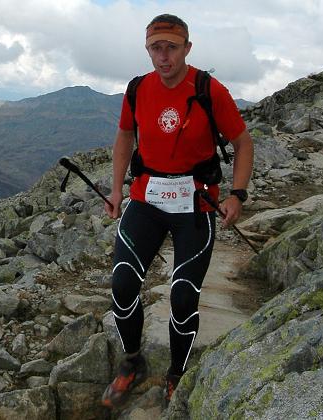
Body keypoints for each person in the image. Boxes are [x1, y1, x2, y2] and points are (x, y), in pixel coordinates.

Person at [101, 13, 254, 406]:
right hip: (147, 199)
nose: (164, 56)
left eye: (172, 47)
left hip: (196, 203)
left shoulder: (208, 89)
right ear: (147, 50)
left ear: (187, 48)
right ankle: (132, 360)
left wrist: (237, 194)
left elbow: (242, 141)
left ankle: (176, 374)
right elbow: (123, 135)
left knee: (183, 295)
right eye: (156, 47)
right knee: (121, 284)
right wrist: (116, 191)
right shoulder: (137, 90)